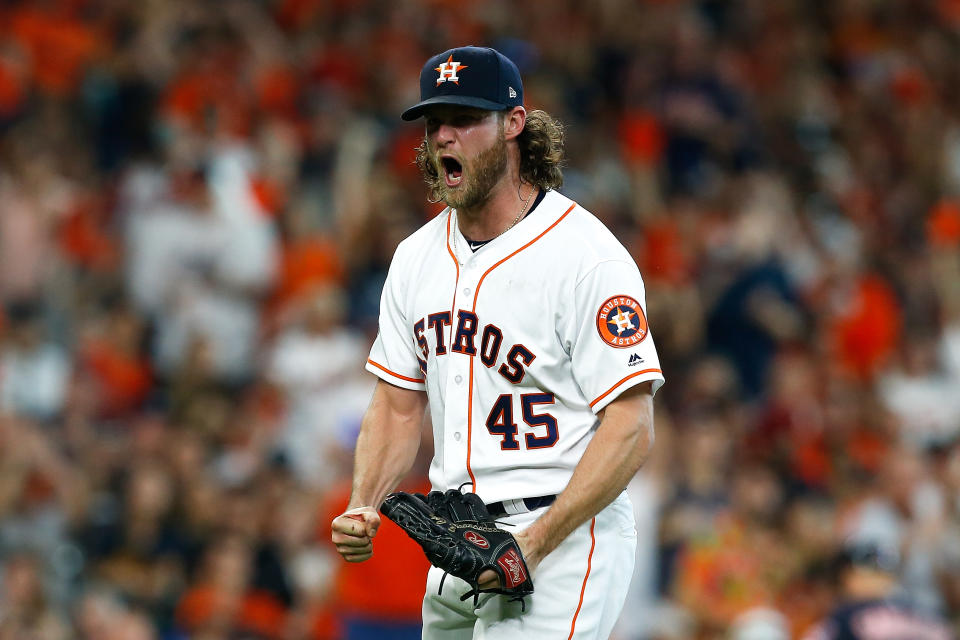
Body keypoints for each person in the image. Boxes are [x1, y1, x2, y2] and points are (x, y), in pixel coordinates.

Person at [330, 45, 665, 638]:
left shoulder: (585, 256)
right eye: (436, 124)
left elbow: (631, 424)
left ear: (514, 125)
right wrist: (364, 501)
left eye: (465, 120)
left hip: (561, 535)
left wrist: (534, 544)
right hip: (456, 543)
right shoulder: (416, 257)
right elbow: (396, 403)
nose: (445, 138)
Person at [800, 543, 954, 640]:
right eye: (870, 572)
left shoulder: (915, 609)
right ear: (846, 577)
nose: (879, 579)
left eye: (883, 573)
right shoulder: (839, 616)